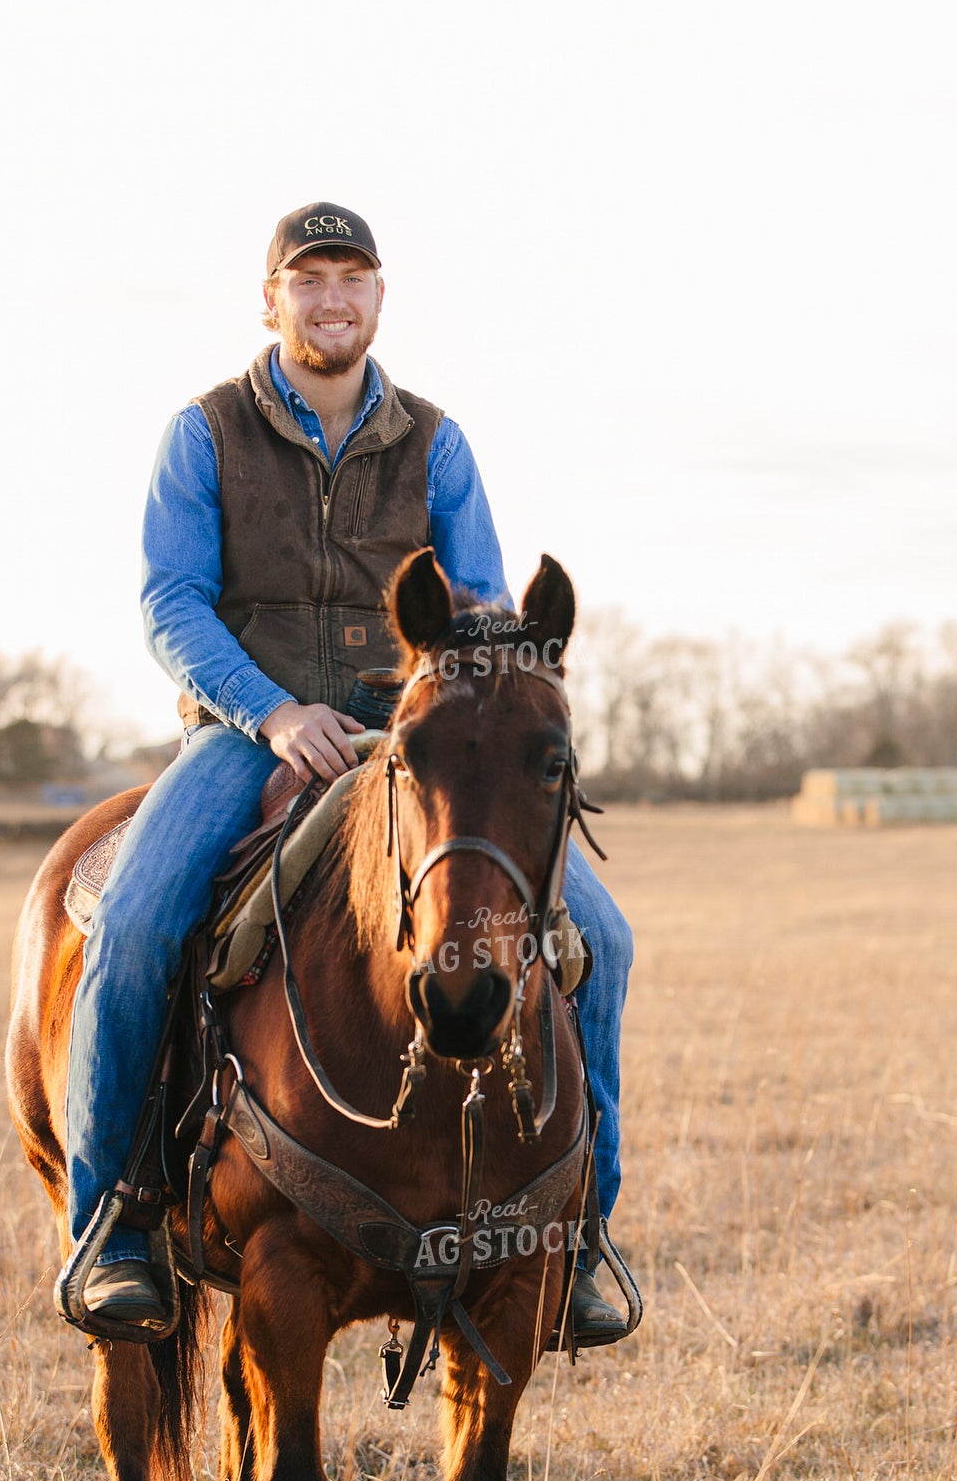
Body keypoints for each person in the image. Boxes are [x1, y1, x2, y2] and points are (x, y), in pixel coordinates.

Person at [64, 201, 636, 1344]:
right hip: (246, 728)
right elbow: (170, 601)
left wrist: (437, 705)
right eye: (307, 278)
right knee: (133, 925)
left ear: (380, 297)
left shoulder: (438, 442)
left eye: (352, 279)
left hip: (407, 733)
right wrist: (273, 715)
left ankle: (581, 1234)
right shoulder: (205, 434)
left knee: (604, 940)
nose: (331, 299)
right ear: (270, 299)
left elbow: (476, 602)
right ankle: (115, 1225)